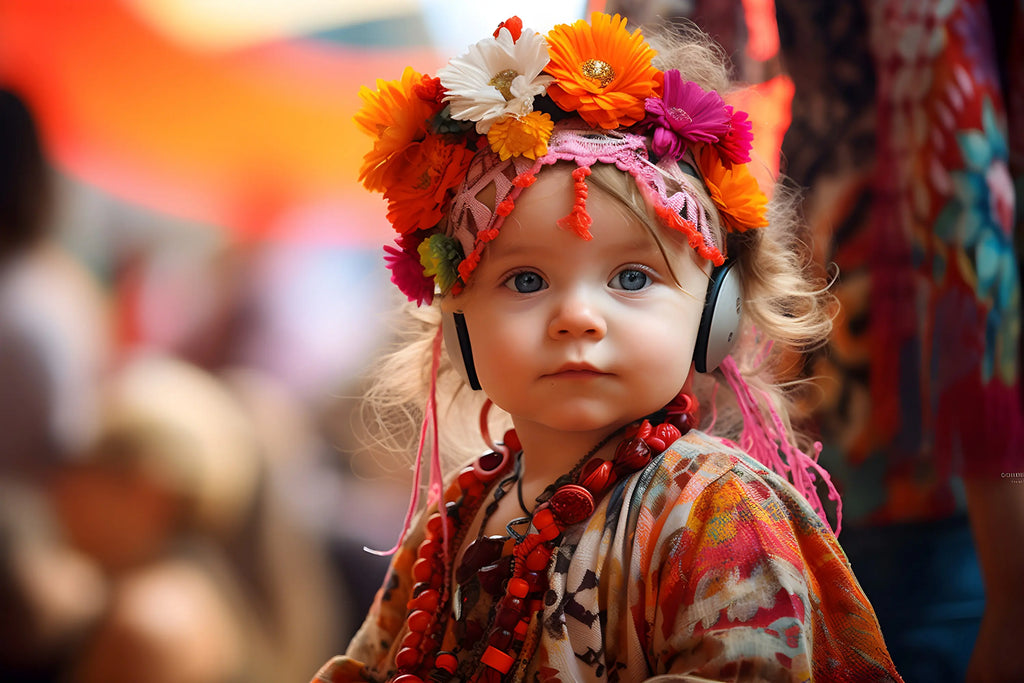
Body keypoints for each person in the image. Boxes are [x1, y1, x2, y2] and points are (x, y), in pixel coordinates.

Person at [313, 12, 902, 682]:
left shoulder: (719, 509)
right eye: (526, 279)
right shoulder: (451, 520)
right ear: (459, 329)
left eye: (632, 277)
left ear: (718, 314)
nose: (577, 318)